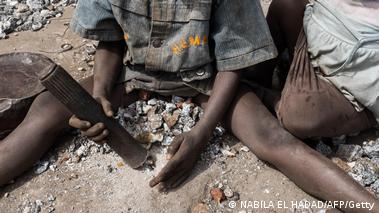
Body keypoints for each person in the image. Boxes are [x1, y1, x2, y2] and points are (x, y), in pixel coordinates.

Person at [0, 0, 378, 212]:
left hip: (207, 78)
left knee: (272, 139)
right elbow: (110, 40)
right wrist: (98, 95)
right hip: (135, 73)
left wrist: (200, 134)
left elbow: (232, 63)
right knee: (47, 110)